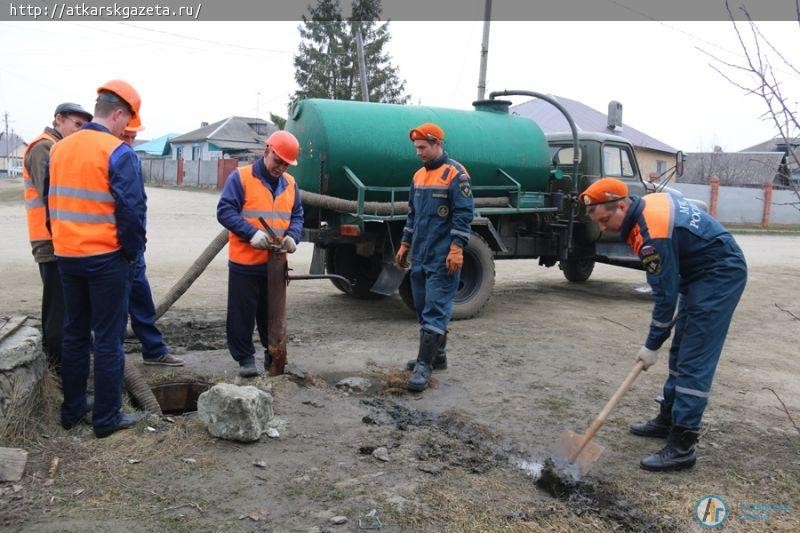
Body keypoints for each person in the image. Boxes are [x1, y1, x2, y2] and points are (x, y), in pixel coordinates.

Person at [581, 177, 747, 471]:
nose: (603, 227)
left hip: (719, 274)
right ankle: (668, 419)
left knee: (694, 357)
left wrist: (651, 345)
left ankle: (682, 445)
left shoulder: (651, 235)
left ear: (622, 205)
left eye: (605, 219)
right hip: (698, 271)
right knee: (681, 348)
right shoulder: (646, 204)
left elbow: (664, 299)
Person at [48, 80, 148, 438]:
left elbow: (51, 203)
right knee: (108, 339)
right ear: (118, 114)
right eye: (128, 122)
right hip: (106, 259)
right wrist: (133, 255)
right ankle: (107, 418)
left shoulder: (60, 149)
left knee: (75, 333)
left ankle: (73, 410)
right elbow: (132, 212)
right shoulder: (118, 152)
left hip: (67, 257)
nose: (127, 131)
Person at [216, 131, 304, 377]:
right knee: (241, 314)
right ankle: (245, 358)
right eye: (278, 161)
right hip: (246, 260)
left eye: (286, 163)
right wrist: (250, 233)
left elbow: (297, 215)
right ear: (267, 151)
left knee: (271, 315)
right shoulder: (241, 178)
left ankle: (272, 353)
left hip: (275, 264)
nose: (281, 167)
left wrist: (293, 237)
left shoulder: (290, 184)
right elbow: (225, 211)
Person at [396, 123, 474, 392]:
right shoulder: (418, 176)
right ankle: (438, 356)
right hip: (420, 254)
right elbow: (413, 215)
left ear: (437, 143)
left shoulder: (456, 175)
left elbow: (463, 215)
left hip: (443, 257)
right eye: (416, 148)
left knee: (435, 309)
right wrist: (405, 244)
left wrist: (456, 248)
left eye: (423, 147)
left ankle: (423, 366)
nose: (418, 152)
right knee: (421, 305)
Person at [22, 102, 93, 375]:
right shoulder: (44, 147)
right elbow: (51, 194)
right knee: (58, 308)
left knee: (63, 305)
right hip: (50, 241)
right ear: (58, 120)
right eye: (76, 124)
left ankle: (61, 366)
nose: (79, 131)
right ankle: (58, 370)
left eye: (84, 127)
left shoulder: (58, 147)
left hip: (59, 239)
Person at [118, 117, 183, 367]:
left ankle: (154, 350)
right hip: (115, 249)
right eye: (127, 136)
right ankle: (113, 359)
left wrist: (136, 245)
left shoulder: (128, 157)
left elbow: (135, 206)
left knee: (142, 299)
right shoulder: (113, 156)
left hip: (132, 247)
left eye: (133, 137)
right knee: (114, 310)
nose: (130, 142)